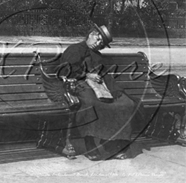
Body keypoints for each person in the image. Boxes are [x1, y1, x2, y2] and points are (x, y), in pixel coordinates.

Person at [59, 22, 144, 161]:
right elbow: (65, 71)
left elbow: (103, 72)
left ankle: (112, 144)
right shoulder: (74, 50)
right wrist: (86, 75)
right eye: (97, 39)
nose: (98, 43)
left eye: (102, 43)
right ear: (91, 34)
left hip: (98, 86)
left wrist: (104, 82)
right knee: (91, 103)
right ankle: (89, 143)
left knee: (124, 103)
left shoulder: (97, 55)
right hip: (78, 84)